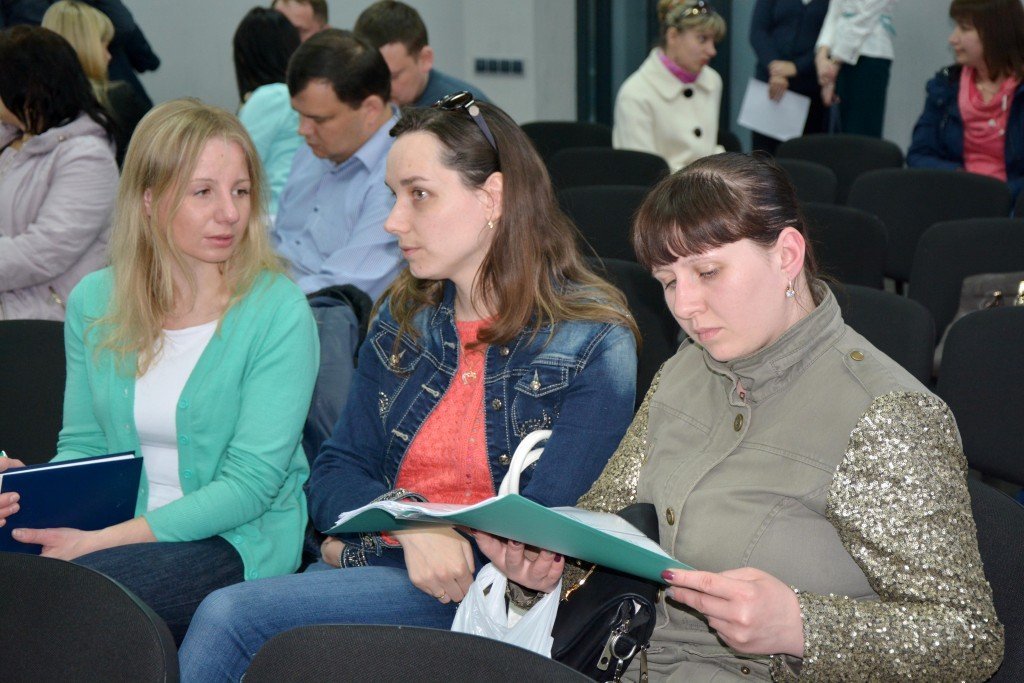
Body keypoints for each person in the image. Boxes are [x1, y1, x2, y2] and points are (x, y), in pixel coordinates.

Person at [480, 152, 1005, 681]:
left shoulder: (887, 414)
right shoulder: (684, 370)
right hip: (624, 661)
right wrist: (544, 572)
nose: (684, 305)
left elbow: (968, 638)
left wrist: (802, 627)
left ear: (787, 255)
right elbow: (605, 524)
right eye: (668, 281)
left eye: (707, 272)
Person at [178, 94, 641, 680]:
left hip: (478, 599)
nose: (393, 221)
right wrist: (415, 525)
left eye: (418, 194)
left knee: (230, 618)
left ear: (493, 198)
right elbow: (334, 473)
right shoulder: (406, 318)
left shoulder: (592, 342)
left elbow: (536, 532)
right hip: (384, 569)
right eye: (393, 195)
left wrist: (359, 544)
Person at [0, 98, 319, 644]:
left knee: (69, 599)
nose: (230, 213)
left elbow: (250, 487)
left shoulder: (278, 311)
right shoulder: (96, 300)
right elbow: (85, 445)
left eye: (241, 191)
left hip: (237, 538)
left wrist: (101, 541)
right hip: (116, 533)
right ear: (148, 199)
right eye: (203, 192)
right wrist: (29, 491)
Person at [272, 29, 403, 299]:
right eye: (299, 115)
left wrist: (259, 303)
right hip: (273, 289)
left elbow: (342, 291)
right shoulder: (317, 149)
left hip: (315, 311)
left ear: (370, 110)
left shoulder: (400, 176)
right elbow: (281, 239)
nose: (302, 130)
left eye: (318, 119)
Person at [0, 25, 117, 321]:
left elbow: (44, 251)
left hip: (47, 323)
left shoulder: (87, 157)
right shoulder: (11, 140)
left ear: (28, 88)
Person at [907, 0, 1024, 201]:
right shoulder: (945, 86)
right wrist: (963, 182)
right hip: (956, 198)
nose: (953, 39)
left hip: (1013, 206)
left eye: (965, 28)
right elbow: (919, 154)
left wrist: (999, 195)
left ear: (996, 33)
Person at [613, 0, 727, 172]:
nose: (712, 51)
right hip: (663, 189)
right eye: (702, 39)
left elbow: (709, 148)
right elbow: (641, 172)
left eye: (713, 41)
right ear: (673, 36)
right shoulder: (635, 93)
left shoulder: (712, 80)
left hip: (707, 185)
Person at [41, 0, 150, 166]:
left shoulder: (35, 107)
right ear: (86, 47)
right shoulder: (117, 98)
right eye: (104, 45)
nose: (109, 56)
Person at [233, 6, 302, 216]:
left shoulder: (270, 97)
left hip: (270, 216)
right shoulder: (292, 96)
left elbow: (236, 164)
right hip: (292, 211)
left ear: (245, 56)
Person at [354, 0, 488, 108]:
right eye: (372, 78)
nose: (381, 90)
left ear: (425, 59)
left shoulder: (465, 110)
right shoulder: (355, 102)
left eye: (393, 77)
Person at [749, 0, 830, 154]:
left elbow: (831, 41)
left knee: (806, 155)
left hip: (810, 88)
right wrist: (775, 67)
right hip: (770, 84)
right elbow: (758, 32)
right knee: (763, 157)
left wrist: (797, 67)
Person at [815, 0, 899, 137]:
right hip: (836, 57)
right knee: (835, 134)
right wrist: (821, 56)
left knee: (859, 136)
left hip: (870, 58)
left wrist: (834, 64)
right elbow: (834, 12)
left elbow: (865, 17)